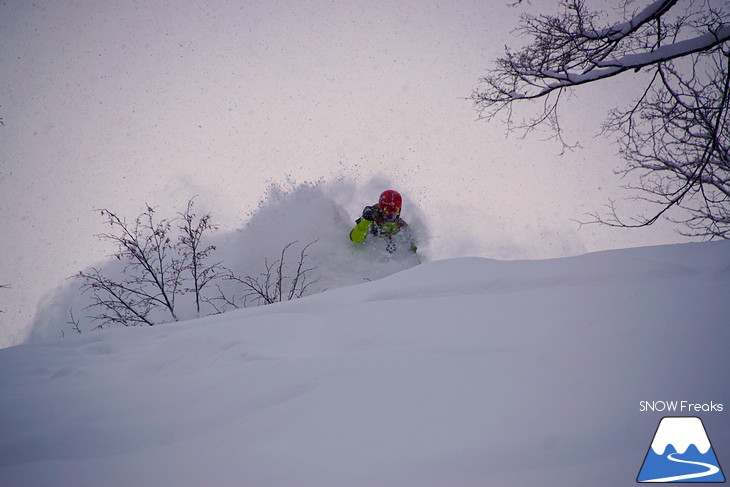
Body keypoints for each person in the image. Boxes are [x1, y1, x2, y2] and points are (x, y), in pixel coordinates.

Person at [350, 189, 417, 253]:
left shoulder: (400, 225)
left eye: (394, 210)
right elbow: (356, 239)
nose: (391, 214)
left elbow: (412, 248)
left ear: (399, 211)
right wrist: (365, 221)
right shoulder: (371, 218)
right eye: (387, 210)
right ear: (381, 209)